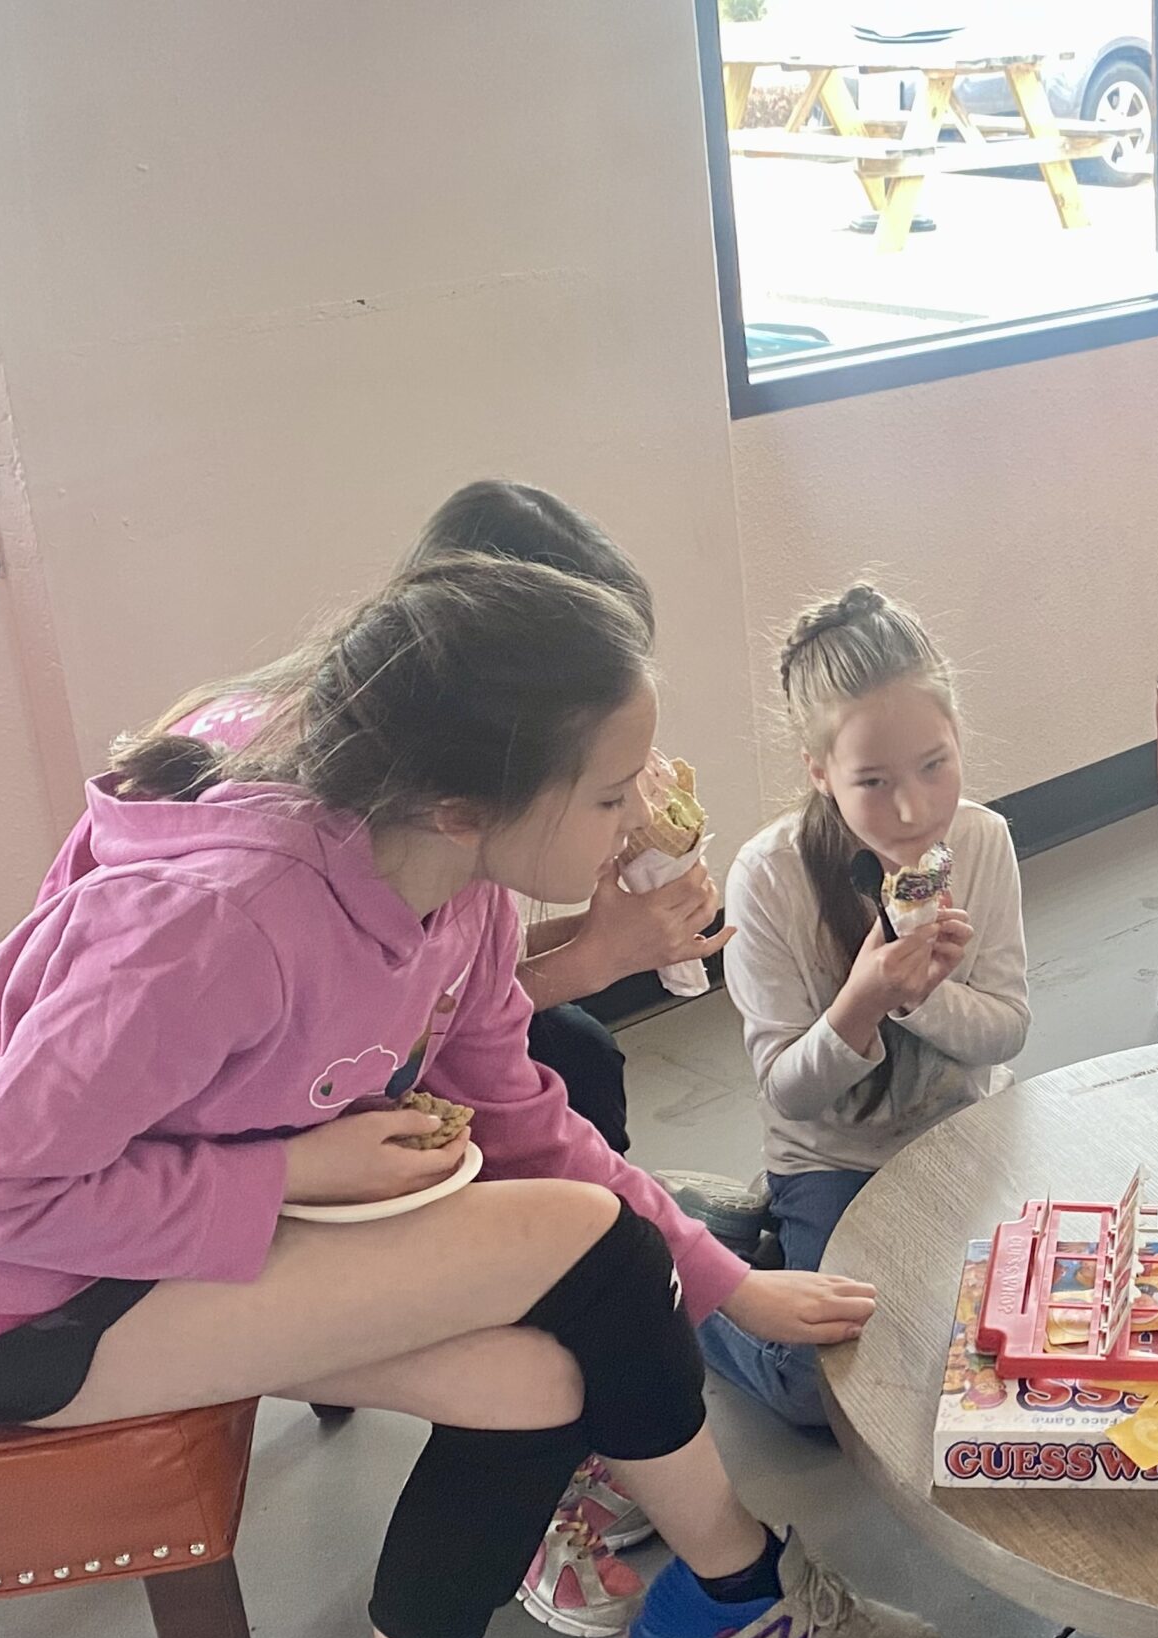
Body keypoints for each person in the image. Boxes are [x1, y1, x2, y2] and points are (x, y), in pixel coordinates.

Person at [0, 556, 933, 1638]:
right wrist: (284, 1170)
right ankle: (733, 1582)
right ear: (467, 798)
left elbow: (525, 1111)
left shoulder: (460, 885)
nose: (644, 817)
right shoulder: (224, 920)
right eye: (614, 793)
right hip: (15, 1302)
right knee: (590, 1246)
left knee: (545, 1382)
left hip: (135, 1251)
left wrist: (729, 1282)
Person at [38, 479, 732, 1154]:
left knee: (574, 1056)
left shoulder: (428, 778)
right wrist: (597, 958)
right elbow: (373, 1017)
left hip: (294, 1042)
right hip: (211, 1096)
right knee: (570, 1061)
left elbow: (438, 963)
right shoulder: (326, 816)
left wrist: (602, 929)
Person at [707, 584, 1028, 1428]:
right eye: (873, 782)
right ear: (818, 774)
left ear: (959, 736)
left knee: (1025, 1337)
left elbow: (1008, 1028)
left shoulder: (983, 843)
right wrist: (863, 999)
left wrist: (923, 1002)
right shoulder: (767, 878)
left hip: (961, 1132)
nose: (915, 809)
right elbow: (788, 1092)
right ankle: (703, 1281)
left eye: (936, 765)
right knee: (824, 1396)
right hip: (833, 1158)